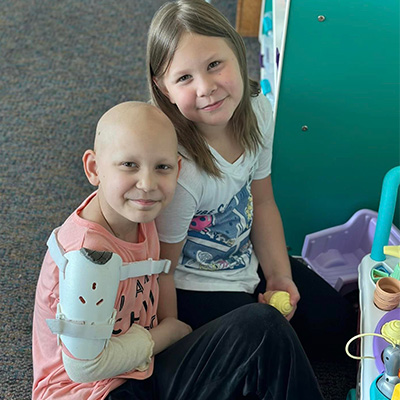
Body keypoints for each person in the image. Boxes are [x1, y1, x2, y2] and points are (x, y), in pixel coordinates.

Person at [32, 101, 324, 400]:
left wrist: (176, 340)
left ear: (178, 169)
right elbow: (86, 367)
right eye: (129, 165)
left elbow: (160, 276)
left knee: (262, 330)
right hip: (98, 391)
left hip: (142, 369)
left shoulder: (140, 215)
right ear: (94, 168)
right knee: (261, 333)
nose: (147, 184)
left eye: (162, 167)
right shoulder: (87, 256)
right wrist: (170, 334)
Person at [147, 0, 356, 362]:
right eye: (184, 78)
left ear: (239, 53)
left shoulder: (258, 110)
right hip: (193, 286)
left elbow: (261, 201)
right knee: (269, 354)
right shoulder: (181, 170)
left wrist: (279, 276)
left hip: (245, 261)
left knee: (338, 325)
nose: (206, 88)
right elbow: (163, 269)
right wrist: (174, 336)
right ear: (164, 89)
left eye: (215, 65)